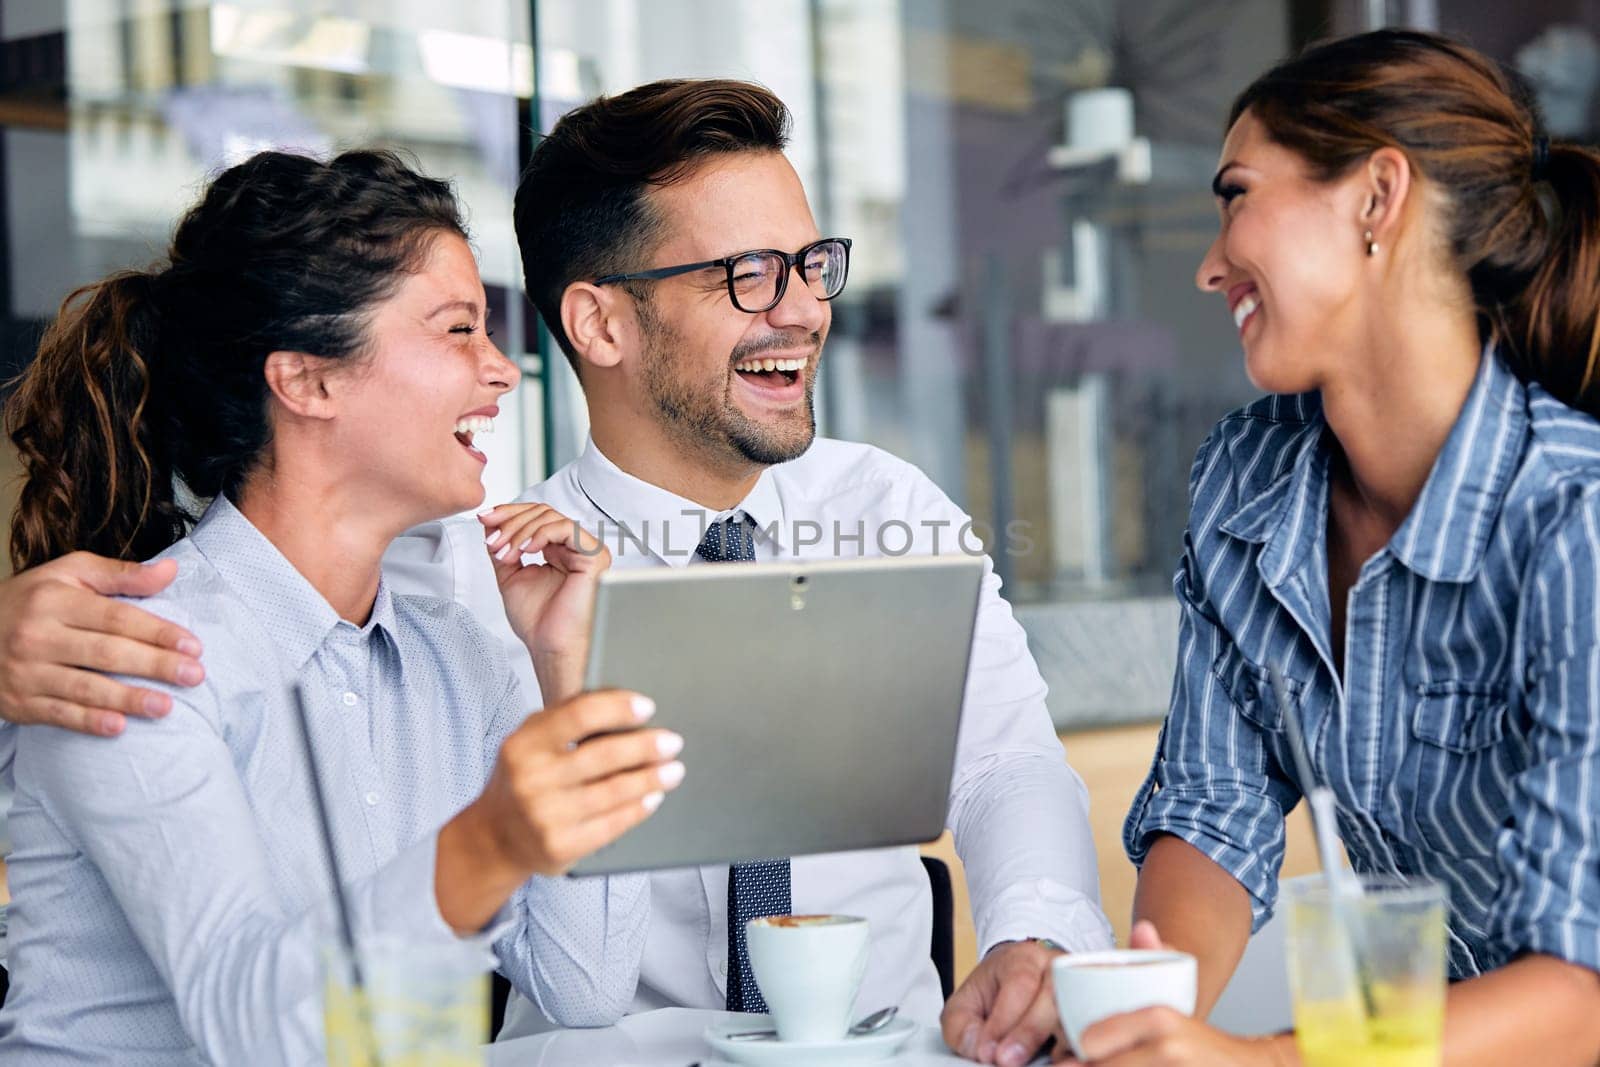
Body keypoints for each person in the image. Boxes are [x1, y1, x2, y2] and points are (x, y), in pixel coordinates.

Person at [0, 79, 1113, 1062]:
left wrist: (1035, 929)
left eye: (812, 265)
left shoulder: (882, 513)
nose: (807, 307)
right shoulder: (452, 573)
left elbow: (1006, 758)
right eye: (750, 274)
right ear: (599, 322)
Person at [0, 149, 684, 1063]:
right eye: (457, 330)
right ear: (309, 381)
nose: (501, 370)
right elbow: (253, 1026)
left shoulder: (465, 660)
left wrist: (569, 669)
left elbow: (587, 985)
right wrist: (485, 846)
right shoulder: (128, 654)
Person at [1096, 30, 1600, 1066]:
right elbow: (1209, 811)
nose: (1207, 263)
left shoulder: (1574, 519)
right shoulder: (1247, 483)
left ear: (1376, 197)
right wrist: (1138, 1016)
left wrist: (1266, 1059)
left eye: (1235, 193)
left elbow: (1582, 988)